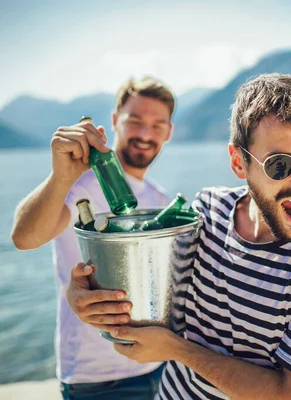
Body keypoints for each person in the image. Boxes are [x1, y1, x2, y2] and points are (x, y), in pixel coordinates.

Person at [66, 73, 291, 400]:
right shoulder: (208, 210)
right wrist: (84, 296)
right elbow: (149, 288)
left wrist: (178, 350)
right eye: (279, 165)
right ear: (238, 163)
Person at [11, 76, 176, 399]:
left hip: (159, 366)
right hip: (97, 379)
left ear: (168, 133)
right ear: (114, 122)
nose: (145, 134)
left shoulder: (160, 199)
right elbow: (24, 238)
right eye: (135, 121)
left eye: (157, 125)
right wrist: (61, 176)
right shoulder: (78, 183)